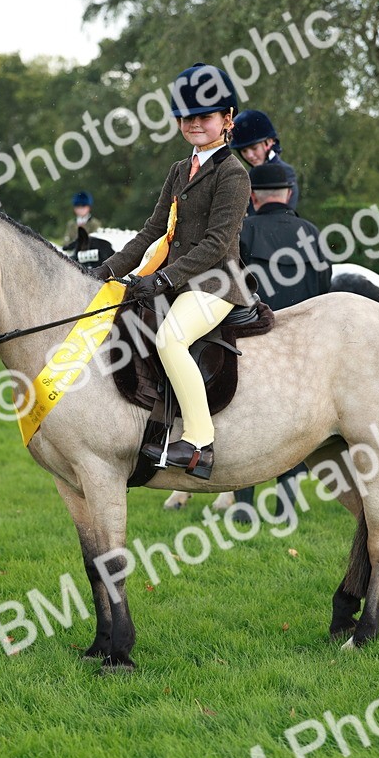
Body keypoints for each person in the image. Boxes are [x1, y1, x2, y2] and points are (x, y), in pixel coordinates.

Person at [88, 63, 252, 480]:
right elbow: (153, 230)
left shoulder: (234, 174)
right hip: (178, 281)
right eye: (188, 117)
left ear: (227, 119)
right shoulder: (180, 170)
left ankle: (199, 442)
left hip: (217, 282)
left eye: (206, 116)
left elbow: (216, 245)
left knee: (170, 338)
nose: (195, 124)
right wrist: (105, 270)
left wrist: (160, 280)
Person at [231, 162, 331, 517]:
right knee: (295, 423)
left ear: (253, 197)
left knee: (245, 422)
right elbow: (324, 295)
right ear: (288, 193)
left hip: (252, 343)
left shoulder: (242, 231)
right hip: (301, 347)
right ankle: (286, 503)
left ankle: (243, 505)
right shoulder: (312, 234)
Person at [230, 109, 298, 214]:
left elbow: (285, 215)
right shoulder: (246, 177)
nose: (250, 156)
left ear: (269, 142)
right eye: (244, 151)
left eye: (254, 148)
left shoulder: (285, 172)